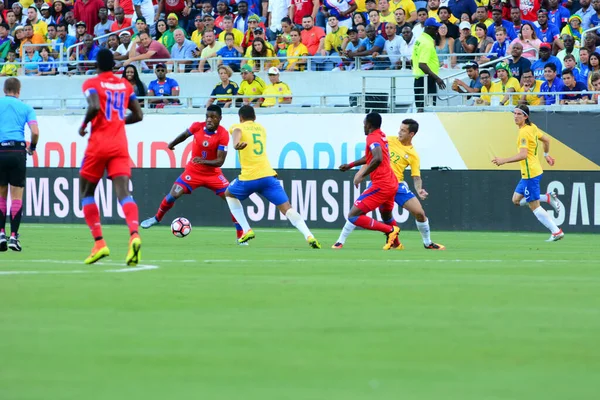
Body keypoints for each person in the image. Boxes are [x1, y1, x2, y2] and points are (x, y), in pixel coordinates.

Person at [333, 118, 444, 250]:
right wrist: (359, 172)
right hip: (381, 183)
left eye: (403, 130)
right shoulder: (388, 140)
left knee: (419, 213)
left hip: (397, 185)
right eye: (400, 129)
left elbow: (416, 177)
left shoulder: (413, 154)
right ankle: (341, 241)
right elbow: (371, 159)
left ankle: (427, 242)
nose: (399, 132)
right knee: (377, 213)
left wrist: (419, 189)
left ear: (411, 134)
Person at [140, 105, 245, 242]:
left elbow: (220, 161)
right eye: (207, 116)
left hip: (213, 174)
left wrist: (202, 161)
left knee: (232, 199)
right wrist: (172, 144)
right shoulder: (197, 126)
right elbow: (184, 135)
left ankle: (240, 236)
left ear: (220, 119)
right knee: (174, 194)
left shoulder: (223, 134)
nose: (209, 120)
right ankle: (156, 218)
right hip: (193, 171)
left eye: (213, 117)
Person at [79, 49, 144, 265]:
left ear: (96, 64)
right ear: (114, 65)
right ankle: (134, 235)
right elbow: (138, 115)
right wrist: (118, 121)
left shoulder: (91, 83)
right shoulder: (125, 85)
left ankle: (99, 243)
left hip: (98, 145)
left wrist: (83, 124)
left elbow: (95, 106)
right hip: (119, 145)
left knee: (87, 191)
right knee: (124, 193)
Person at [223, 105, 322, 248]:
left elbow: (237, 132)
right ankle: (309, 236)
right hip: (268, 176)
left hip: (249, 177)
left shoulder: (238, 126)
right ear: (255, 118)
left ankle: (246, 230)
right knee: (287, 208)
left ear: (241, 118)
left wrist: (236, 144)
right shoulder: (262, 129)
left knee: (229, 194)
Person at [491, 105, 564, 242]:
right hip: (530, 172)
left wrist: (503, 160)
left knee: (534, 206)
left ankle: (556, 231)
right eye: (514, 113)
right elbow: (547, 140)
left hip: (530, 173)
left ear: (526, 116)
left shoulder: (524, 132)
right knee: (516, 200)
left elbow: (523, 155)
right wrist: (547, 155)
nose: (516, 116)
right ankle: (547, 198)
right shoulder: (532, 127)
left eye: (519, 114)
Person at [332, 112, 400, 250]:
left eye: (364, 124)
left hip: (382, 184)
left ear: (369, 124)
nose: (363, 126)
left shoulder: (372, 137)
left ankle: (390, 230)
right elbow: (370, 156)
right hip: (391, 182)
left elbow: (377, 158)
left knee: (353, 216)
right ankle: (396, 245)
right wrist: (351, 165)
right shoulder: (381, 135)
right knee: (386, 214)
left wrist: (363, 173)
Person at [0, 78, 39, 252]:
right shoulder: (26, 108)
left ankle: (1, 233)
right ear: (18, 90)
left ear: (3, 90)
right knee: (16, 196)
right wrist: (33, 146)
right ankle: (14, 237)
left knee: (1, 196)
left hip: (0, 151)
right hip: (17, 152)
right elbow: (35, 131)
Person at [412, 18, 445, 112]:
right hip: (426, 79)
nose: (437, 31)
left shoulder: (420, 39)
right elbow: (422, 64)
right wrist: (437, 78)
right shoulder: (427, 43)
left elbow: (413, 60)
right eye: (435, 29)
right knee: (428, 108)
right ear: (429, 29)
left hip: (419, 78)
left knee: (421, 106)